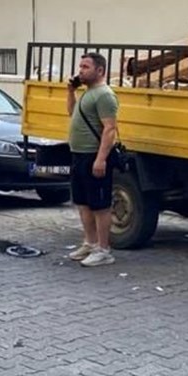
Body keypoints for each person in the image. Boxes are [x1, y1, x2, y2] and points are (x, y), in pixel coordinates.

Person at [65, 53, 120, 268]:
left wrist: (100, 159)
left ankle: (104, 250)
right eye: (80, 66)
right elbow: (71, 111)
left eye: (86, 67)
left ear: (99, 70)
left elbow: (109, 129)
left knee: (100, 205)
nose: (80, 70)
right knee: (83, 202)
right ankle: (90, 242)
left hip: (92, 155)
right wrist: (70, 92)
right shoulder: (87, 94)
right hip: (78, 155)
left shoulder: (104, 95)